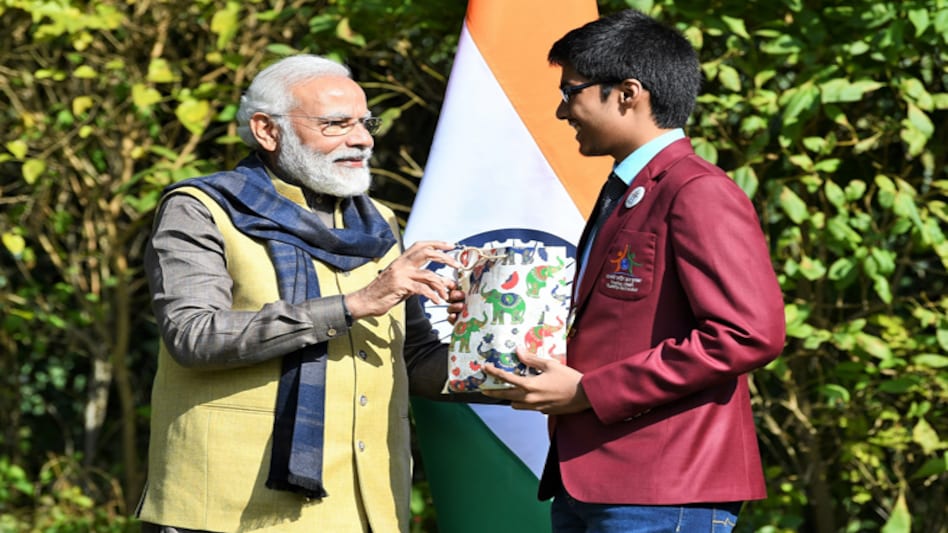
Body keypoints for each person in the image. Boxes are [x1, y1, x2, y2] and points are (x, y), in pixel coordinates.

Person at [481, 9, 787, 532]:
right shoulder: (628, 190)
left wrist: (589, 392)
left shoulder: (696, 191)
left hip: (663, 489)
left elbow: (748, 334)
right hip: (592, 480)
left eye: (571, 91)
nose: (562, 112)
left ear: (627, 93)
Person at [137, 54, 465, 533]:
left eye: (364, 123)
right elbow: (193, 335)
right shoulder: (200, 208)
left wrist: (492, 352)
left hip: (364, 506)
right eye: (336, 124)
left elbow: (412, 359)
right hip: (231, 509)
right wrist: (354, 305)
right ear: (267, 131)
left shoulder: (378, 221)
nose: (362, 140)